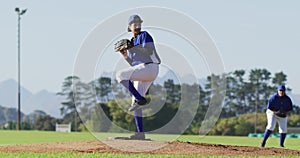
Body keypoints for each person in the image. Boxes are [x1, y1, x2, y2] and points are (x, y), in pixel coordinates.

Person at [116, 15, 161, 140]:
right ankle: (140, 133)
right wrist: (125, 55)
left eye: (138, 23)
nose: (137, 25)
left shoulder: (144, 35)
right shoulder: (131, 42)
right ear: (129, 27)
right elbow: (134, 65)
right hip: (142, 70)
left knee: (120, 75)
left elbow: (148, 52)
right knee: (135, 103)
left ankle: (140, 98)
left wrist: (132, 47)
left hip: (150, 67)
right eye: (134, 23)